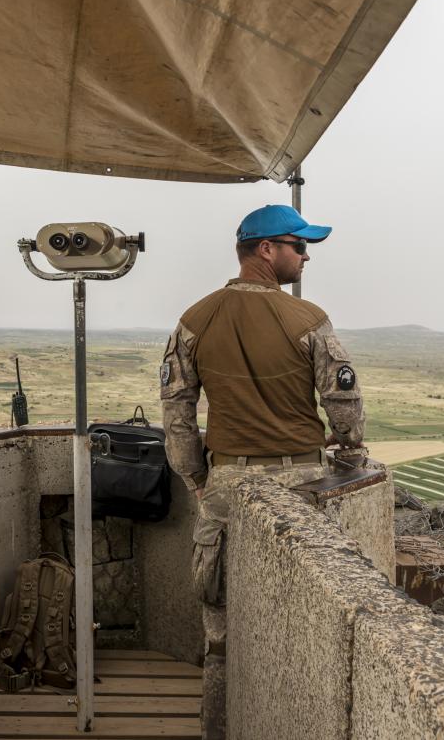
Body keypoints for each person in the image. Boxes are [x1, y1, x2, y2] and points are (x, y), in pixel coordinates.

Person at [159, 204, 366, 740]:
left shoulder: (195, 319)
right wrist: (347, 451)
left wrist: (195, 479)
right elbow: (343, 402)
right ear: (266, 250)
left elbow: (177, 413)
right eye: (299, 246)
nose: (306, 256)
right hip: (301, 486)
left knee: (221, 633)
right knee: (299, 626)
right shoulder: (308, 319)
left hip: (227, 485)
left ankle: (218, 729)